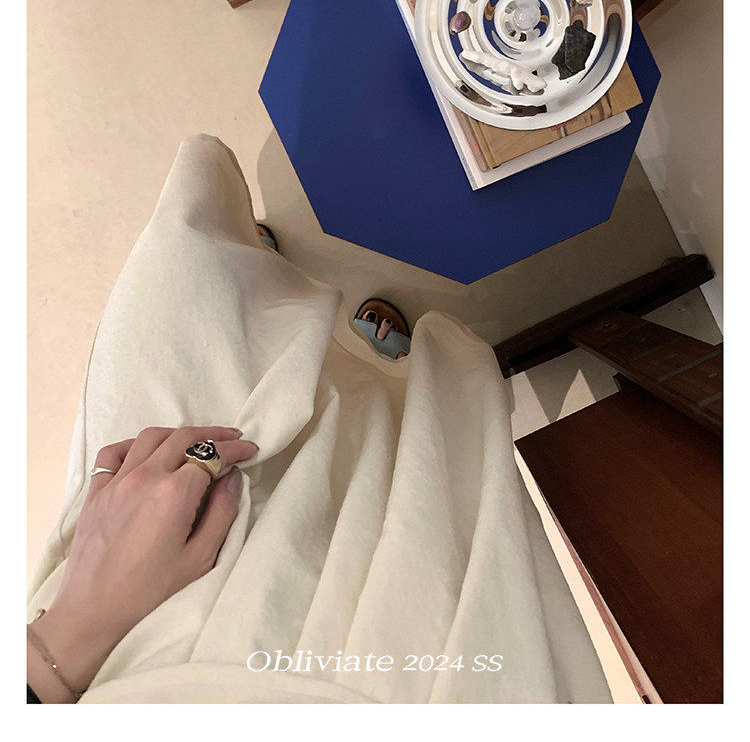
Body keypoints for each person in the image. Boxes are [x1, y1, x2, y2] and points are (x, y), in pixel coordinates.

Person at [27, 134, 612, 703]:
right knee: (401, 465)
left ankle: (260, 288)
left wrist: (67, 634)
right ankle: (367, 363)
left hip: (80, 651)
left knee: (184, 276)